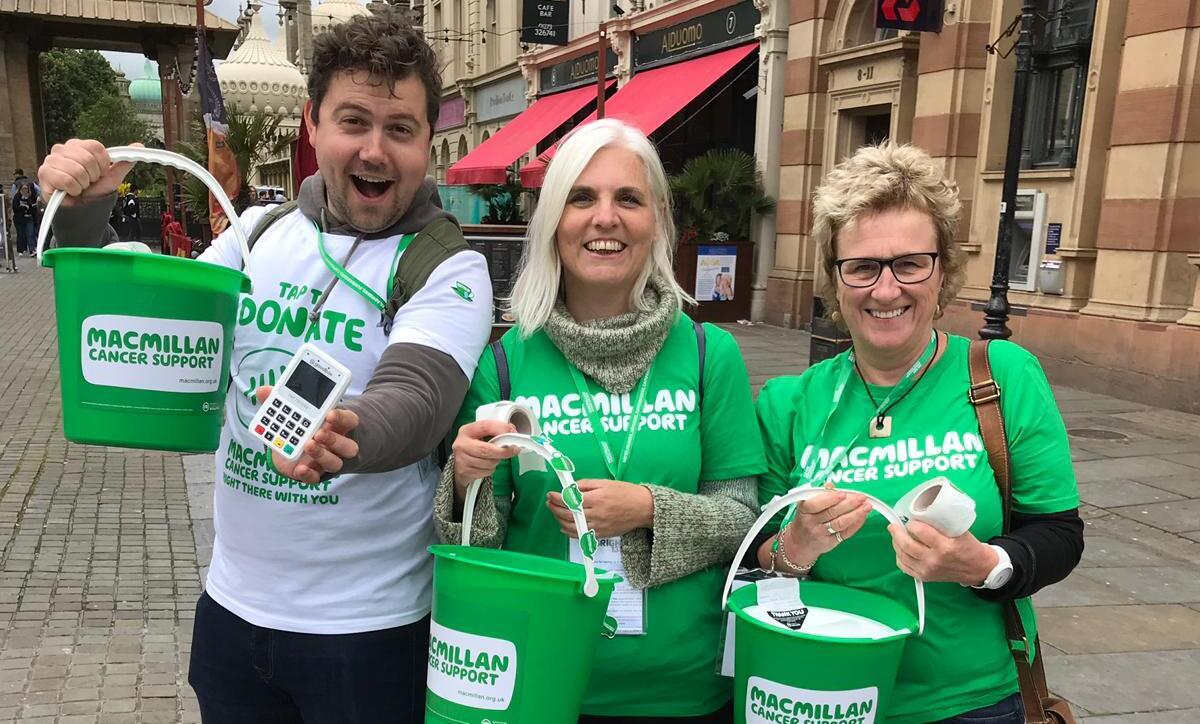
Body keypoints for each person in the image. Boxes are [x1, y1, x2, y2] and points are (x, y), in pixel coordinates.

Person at [37, 8, 493, 721]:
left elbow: (416, 395)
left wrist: (350, 431)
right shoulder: (255, 233)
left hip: (367, 633)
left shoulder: (447, 267)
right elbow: (147, 324)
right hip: (231, 611)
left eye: (399, 129)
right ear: (314, 125)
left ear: (428, 142)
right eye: (353, 121)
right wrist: (83, 215)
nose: (375, 150)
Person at [435, 118, 767, 723]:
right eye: (581, 198)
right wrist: (465, 478)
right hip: (541, 680)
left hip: (686, 692)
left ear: (658, 221)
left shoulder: (707, 355)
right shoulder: (505, 363)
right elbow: (474, 545)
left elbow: (745, 518)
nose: (605, 218)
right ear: (554, 222)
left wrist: (645, 508)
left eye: (628, 199)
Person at [750, 143, 1084, 723]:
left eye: (909, 263)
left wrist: (984, 564)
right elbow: (752, 561)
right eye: (861, 267)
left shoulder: (1002, 376)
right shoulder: (788, 403)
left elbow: (1059, 533)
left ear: (943, 269)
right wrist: (796, 547)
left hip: (972, 702)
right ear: (835, 276)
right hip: (819, 690)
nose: (885, 290)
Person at [12, 181, 37, 256]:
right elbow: (15, 208)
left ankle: (32, 250)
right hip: (19, 218)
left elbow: (33, 206)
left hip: (29, 217)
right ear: (20, 189)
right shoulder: (17, 196)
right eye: (23, 188)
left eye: (26, 188)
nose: (25, 190)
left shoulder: (31, 196)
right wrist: (23, 207)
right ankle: (21, 249)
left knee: (30, 234)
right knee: (21, 234)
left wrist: (31, 207)